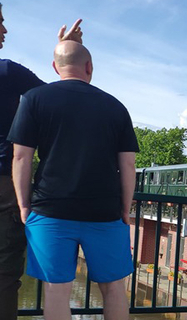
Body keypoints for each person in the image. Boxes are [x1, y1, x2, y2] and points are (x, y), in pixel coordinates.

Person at [9, 40, 139, 320]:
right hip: (104, 213)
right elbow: (128, 164)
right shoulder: (115, 106)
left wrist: (23, 205)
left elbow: (21, 157)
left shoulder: (34, 98)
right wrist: (125, 210)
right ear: (90, 67)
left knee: (57, 289)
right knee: (114, 288)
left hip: (50, 210)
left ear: (55, 67)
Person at [0, 2, 82, 320]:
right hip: (6, 188)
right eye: (0, 22)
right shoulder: (7, 72)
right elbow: (60, 101)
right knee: (5, 276)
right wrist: (69, 50)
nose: (5, 29)